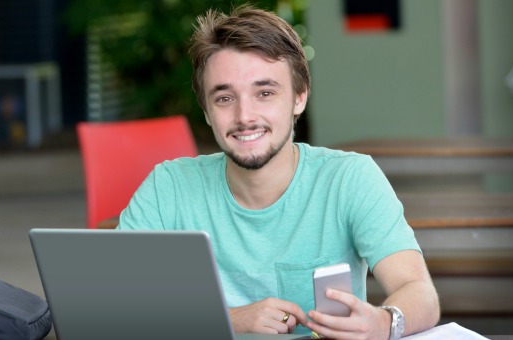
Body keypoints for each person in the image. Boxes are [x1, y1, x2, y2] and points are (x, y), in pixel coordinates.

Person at [117, 4, 440, 339]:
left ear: (299, 98)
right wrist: (229, 319)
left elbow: (418, 291)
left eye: (265, 93)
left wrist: (384, 323)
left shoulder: (349, 178)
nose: (245, 116)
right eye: (225, 98)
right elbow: (115, 299)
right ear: (207, 111)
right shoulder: (168, 186)